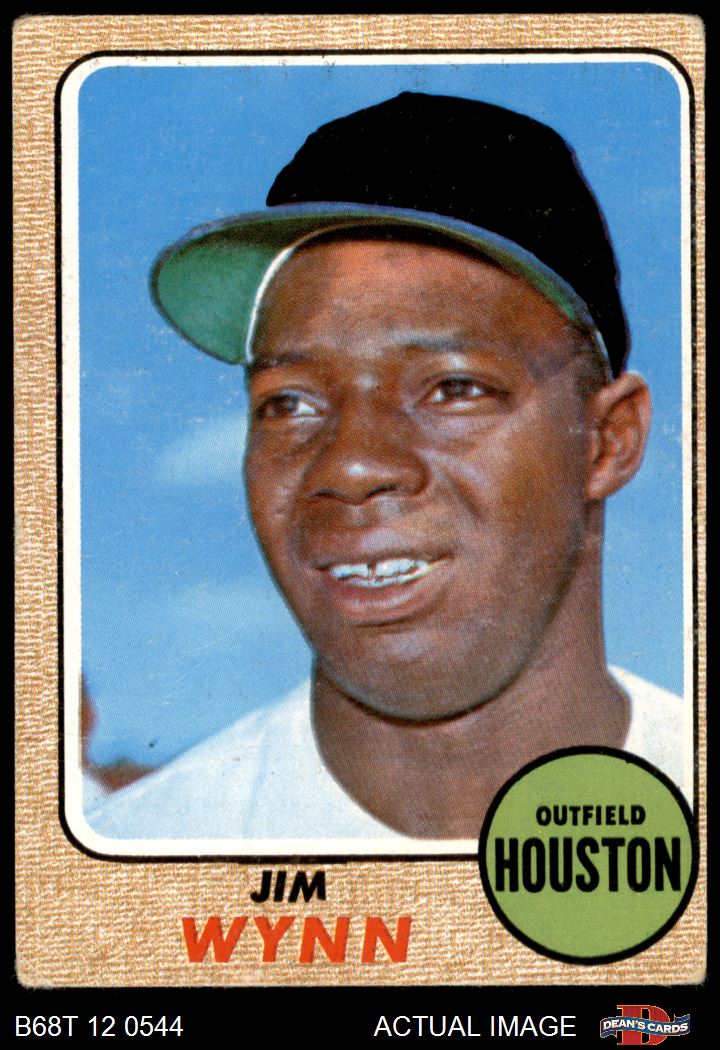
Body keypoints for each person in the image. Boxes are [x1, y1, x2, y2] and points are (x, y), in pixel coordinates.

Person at [89, 92, 688, 843]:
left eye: (455, 389)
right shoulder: (132, 857)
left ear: (607, 440)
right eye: (290, 402)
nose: (352, 464)